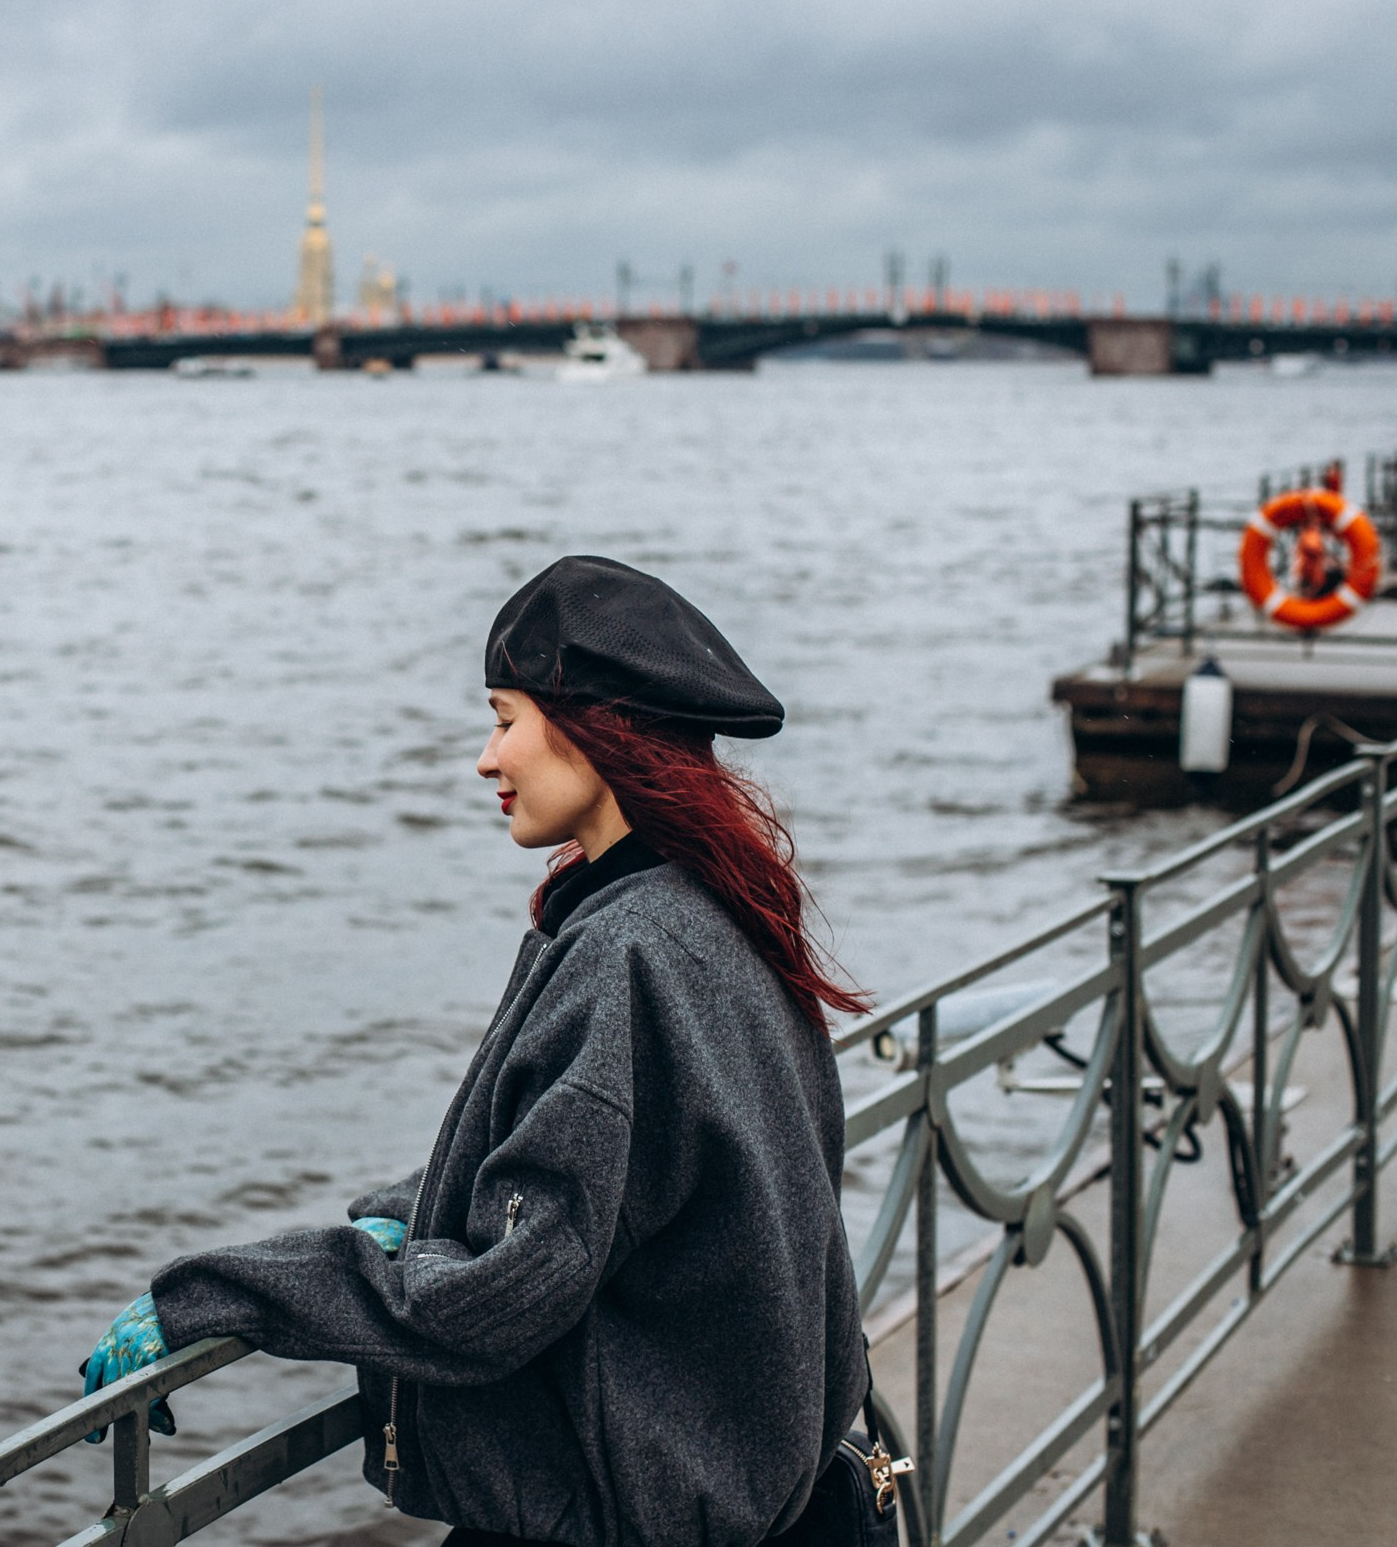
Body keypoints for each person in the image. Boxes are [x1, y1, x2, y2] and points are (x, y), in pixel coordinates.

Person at [79, 556, 872, 1547]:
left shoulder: (626, 955)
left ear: (595, 728)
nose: (486, 760)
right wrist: (403, 1218)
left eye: (505, 718)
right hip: (769, 1493)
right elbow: (581, 1162)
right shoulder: (714, 909)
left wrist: (216, 1293)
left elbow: (500, 1296)